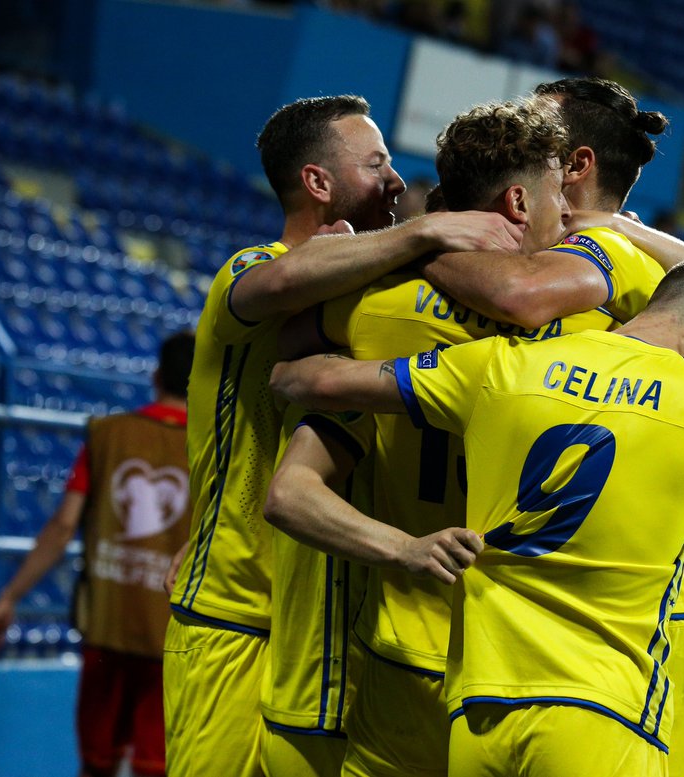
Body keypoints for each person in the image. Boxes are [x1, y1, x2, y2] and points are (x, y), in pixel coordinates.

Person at [271, 253, 684, 776]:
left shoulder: (501, 363)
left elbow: (317, 383)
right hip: (604, 710)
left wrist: (284, 371)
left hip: (481, 711)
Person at [162, 94, 525, 777]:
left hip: (338, 624)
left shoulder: (372, 297)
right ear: (318, 182)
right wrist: (427, 230)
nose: (396, 180)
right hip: (237, 614)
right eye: (377, 163)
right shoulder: (249, 269)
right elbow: (283, 280)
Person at [260, 96, 595, 777]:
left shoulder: (375, 311)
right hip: (537, 669)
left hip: (405, 647)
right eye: (558, 196)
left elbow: (288, 461)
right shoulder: (599, 331)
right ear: (518, 202)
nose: (569, 215)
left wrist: (406, 549)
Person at [418, 76, 684, 775]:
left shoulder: (608, 253)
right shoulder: (572, 251)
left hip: (619, 642)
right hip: (542, 629)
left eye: (536, 126)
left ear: (575, 164)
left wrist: (414, 241)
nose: (516, 131)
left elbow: (522, 296)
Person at [0, 331, 196, 777]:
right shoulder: (210, 445)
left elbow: (63, 526)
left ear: (156, 377)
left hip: (107, 627)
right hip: (172, 634)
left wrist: (9, 597)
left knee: (97, 763)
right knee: (156, 766)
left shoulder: (107, 434)